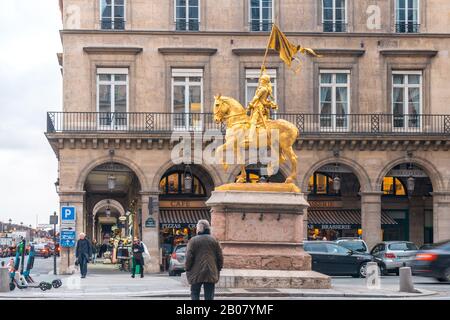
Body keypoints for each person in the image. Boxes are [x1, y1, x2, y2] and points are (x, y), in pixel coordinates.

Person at [185, 220, 223, 301]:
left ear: (199, 229)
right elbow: (220, 256)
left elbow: (189, 257)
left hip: (195, 272)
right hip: (210, 271)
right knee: (209, 295)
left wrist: (187, 268)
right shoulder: (214, 240)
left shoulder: (193, 241)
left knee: (195, 292)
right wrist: (219, 268)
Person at [247, 69, 278, 143]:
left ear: (264, 81)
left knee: (253, 121)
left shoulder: (263, 89)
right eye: (260, 79)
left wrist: (251, 103)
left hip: (259, 106)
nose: (260, 81)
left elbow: (256, 97)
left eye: (261, 80)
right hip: (261, 106)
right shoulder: (265, 88)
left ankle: (250, 137)